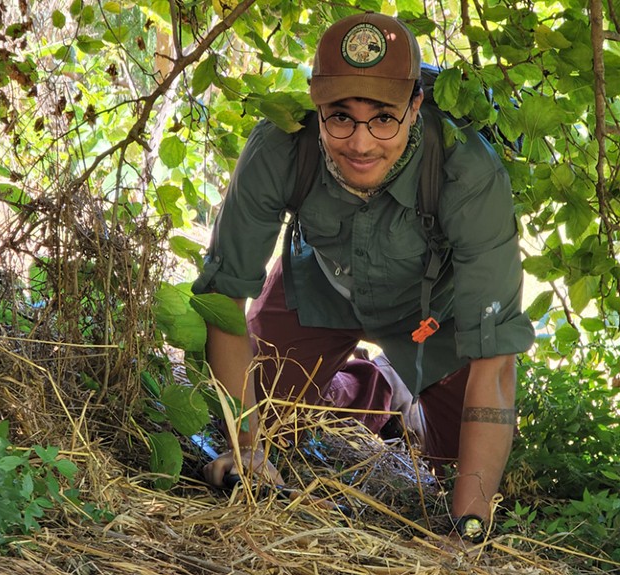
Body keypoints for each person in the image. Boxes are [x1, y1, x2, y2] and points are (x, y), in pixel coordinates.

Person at [191, 11, 535, 542]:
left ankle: (408, 383)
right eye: (340, 117)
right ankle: (375, 387)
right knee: (276, 419)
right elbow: (223, 300)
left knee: (465, 473)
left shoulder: (467, 170)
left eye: (383, 118)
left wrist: (469, 527)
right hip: (322, 283)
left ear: (415, 105)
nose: (360, 142)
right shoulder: (279, 146)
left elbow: (495, 358)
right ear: (315, 102)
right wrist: (247, 452)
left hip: (432, 316)